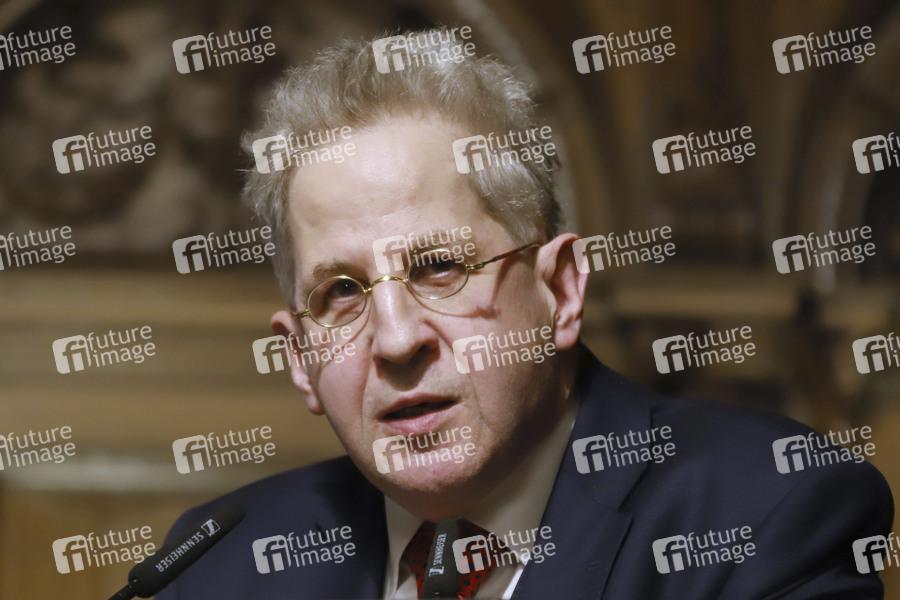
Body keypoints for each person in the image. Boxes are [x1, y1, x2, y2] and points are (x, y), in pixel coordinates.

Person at [157, 28, 894, 599]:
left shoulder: (767, 512)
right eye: (342, 292)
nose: (397, 339)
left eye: (440, 267)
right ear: (300, 359)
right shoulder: (220, 567)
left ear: (561, 291)